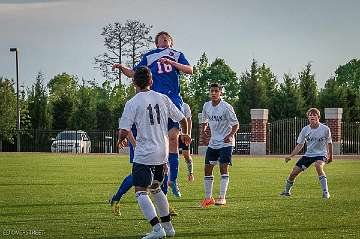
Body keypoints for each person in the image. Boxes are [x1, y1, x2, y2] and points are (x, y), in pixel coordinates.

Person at [113, 31, 193, 198]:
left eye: (167, 38)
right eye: (160, 38)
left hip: (172, 98)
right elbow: (134, 73)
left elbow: (190, 70)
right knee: (158, 139)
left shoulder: (177, 55)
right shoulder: (149, 55)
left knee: (172, 139)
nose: (164, 39)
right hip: (154, 102)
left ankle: (173, 180)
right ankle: (158, 180)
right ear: (156, 43)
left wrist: (172, 62)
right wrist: (122, 67)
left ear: (171, 42)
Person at [117, 66, 191, 239]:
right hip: (162, 153)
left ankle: (157, 230)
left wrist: (120, 139)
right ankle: (169, 227)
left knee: (141, 191)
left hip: (145, 153)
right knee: (156, 188)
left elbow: (124, 129)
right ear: (151, 81)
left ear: (134, 82)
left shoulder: (133, 102)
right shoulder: (163, 98)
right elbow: (182, 118)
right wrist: (186, 134)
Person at [200, 83, 239, 208]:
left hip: (226, 143)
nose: (213, 93)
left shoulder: (226, 107)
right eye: (212, 91)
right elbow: (204, 120)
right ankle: (208, 199)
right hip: (213, 143)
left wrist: (230, 135)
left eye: (216, 91)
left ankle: (222, 198)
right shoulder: (206, 106)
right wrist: (204, 128)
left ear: (221, 92)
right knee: (207, 169)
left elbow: (236, 125)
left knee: (223, 168)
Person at [280, 108, 333, 199]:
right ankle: (286, 192)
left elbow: (329, 143)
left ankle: (326, 193)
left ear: (318, 117)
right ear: (308, 117)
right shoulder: (305, 130)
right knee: (293, 173)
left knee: (318, 166)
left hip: (321, 154)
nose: (312, 116)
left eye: (314, 115)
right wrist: (291, 156)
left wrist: (330, 156)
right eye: (310, 115)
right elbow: (300, 145)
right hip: (308, 155)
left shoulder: (325, 129)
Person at [109, 125, 137, 216]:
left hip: (155, 143)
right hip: (140, 143)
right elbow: (127, 121)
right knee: (136, 175)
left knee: (158, 175)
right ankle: (116, 199)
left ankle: (115, 199)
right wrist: (134, 144)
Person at [178, 102, 194, 182]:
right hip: (172, 133)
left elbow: (189, 120)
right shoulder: (169, 102)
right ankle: (171, 176)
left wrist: (188, 134)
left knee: (186, 155)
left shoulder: (185, 106)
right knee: (169, 155)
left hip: (183, 134)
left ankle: (190, 173)